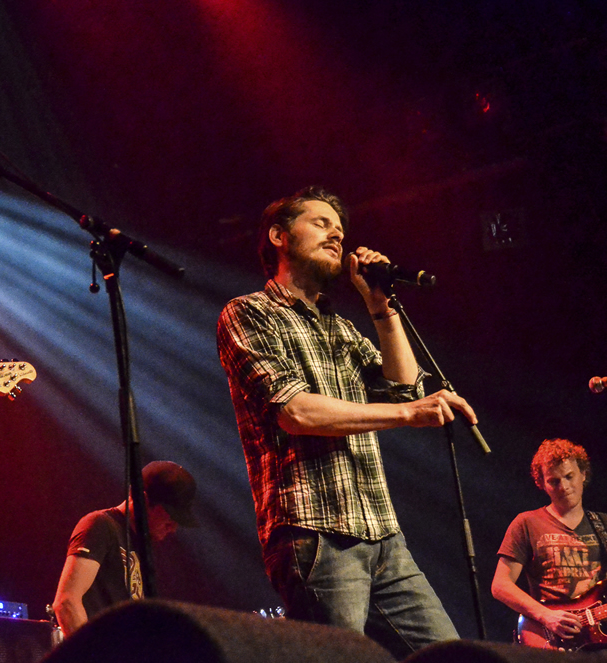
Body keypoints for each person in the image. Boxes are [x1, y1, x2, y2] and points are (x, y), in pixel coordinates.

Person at [216, 186, 477, 657]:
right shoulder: (249, 312)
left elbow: (403, 385)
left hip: (382, 533)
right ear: (279, 236)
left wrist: (381, 305)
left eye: (340, 228)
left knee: (451, 656)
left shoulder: (339, 326)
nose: (336, 234)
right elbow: (296, 411)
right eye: (320, 223)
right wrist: (406, 414)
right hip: (316, 533)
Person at [51, 460, 198, 637]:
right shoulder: (100, 526)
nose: (173, 527)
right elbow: (67, 602)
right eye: (170, 517)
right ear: (142, 500)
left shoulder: (144, 547)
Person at [492, 438, 604, 649]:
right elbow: (500, 585)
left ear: (584, 475)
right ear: (542, 484)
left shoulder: (604, 525)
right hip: (549, 640)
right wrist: (545, 616)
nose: (564, 487)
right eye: (554, 480)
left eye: (569, 476)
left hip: (597, 641)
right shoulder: (526, 522)